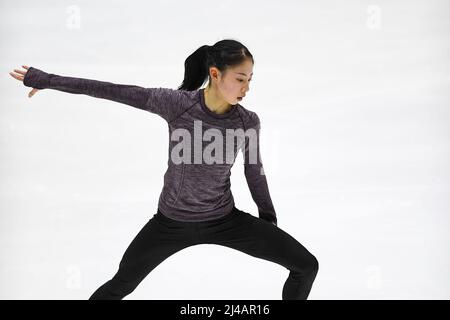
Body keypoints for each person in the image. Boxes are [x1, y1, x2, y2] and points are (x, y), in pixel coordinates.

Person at [9, 39, 319, 300]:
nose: (247, 87)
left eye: (250, 79)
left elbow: (255, 171)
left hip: (225, 220)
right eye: (240, 78)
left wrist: (268, 221)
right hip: (170, 224)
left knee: (306, 265)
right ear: (215, 74)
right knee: (121, 284)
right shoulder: (176, 104)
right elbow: (114, 90)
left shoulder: (247, 121)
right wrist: (48, 80)